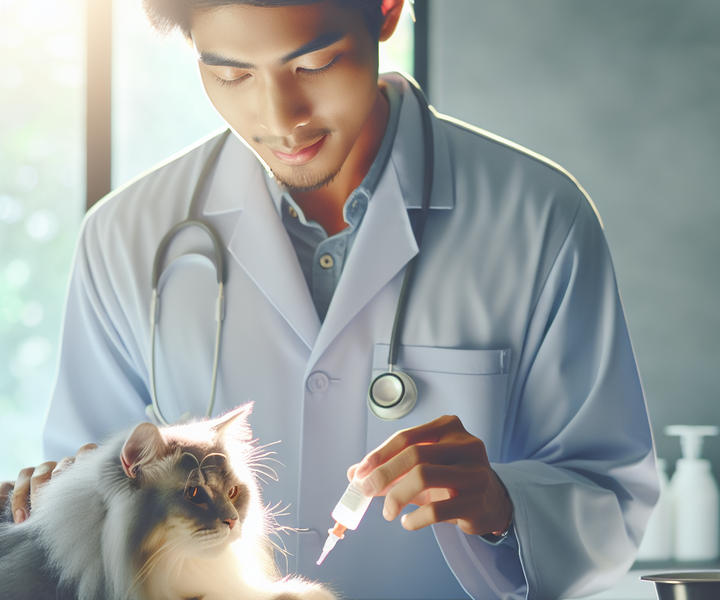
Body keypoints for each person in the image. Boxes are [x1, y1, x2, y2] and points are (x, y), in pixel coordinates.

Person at [2, 1, 658, 598]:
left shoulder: (540, 217)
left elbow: (611, 504)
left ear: (386, 11)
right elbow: (89, 521)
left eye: (314, 63)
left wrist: (500, 504)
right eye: (230, 74)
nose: (280, 117)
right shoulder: (125, 235)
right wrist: (47, 497)